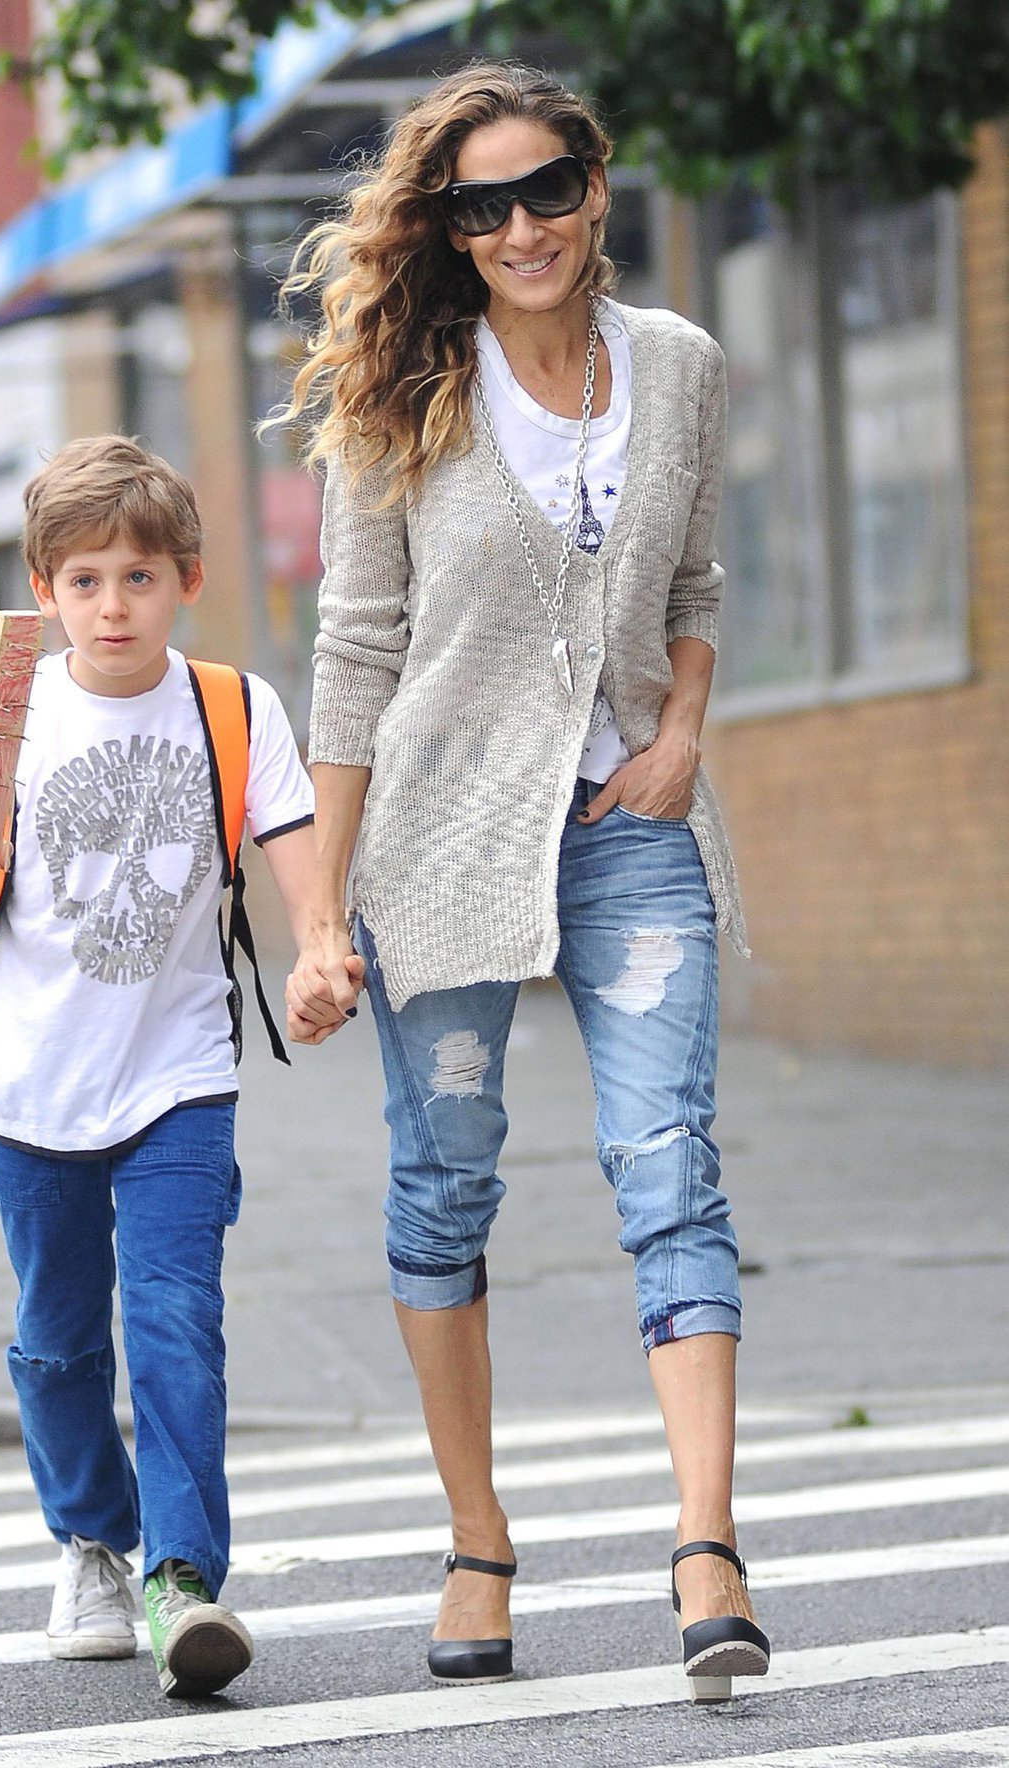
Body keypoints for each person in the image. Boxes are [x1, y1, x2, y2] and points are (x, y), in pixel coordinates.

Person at [279, 63, 771, 1703]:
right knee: (443, 1183)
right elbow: (352, 660)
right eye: (477, 205)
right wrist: (320, 911)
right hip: (437, 840)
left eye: (540, 189)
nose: (516, 228)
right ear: (448, 225)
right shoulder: (402, 395)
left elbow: (693, 580)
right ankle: (476, 1537)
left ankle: (705, 1541)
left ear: (593, 185)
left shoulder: (680, 368)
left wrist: (681, 727)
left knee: (668, 1165)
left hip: (630, 819)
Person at [0, 435, 322, 1699]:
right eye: (84, 580)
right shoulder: (0, 716)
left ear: (186, 580)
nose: (112, 606)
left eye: (139, 578)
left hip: (178, 1076)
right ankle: (93, 1537)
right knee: (54, 1341)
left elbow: (294, 849)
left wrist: (319, 950)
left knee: (176, 1327)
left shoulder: (233, 706)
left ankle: (184, 1578)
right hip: (30, 1087)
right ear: (44, 588)